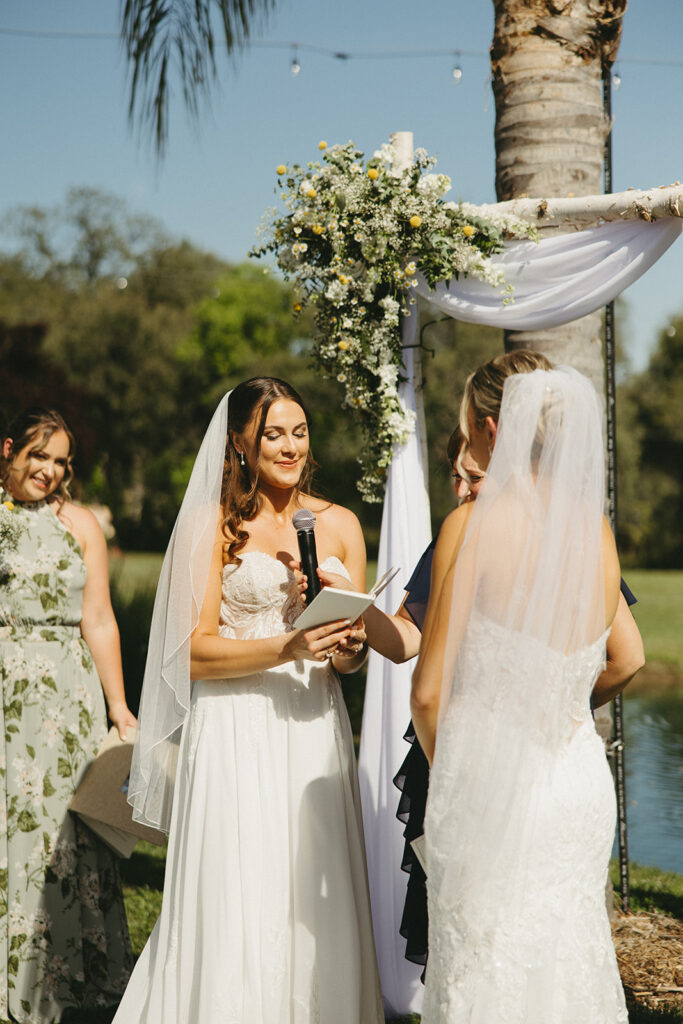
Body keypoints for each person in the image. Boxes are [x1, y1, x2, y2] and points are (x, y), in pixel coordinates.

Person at [113, 377, 384, 1024]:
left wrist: (346, 645)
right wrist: (288, 647)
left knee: (309, 890)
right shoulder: (211, 526)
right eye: (273, 434)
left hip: (313, 727)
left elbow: (351, 655)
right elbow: (194, 655)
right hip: (235, 726)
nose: (289, 447)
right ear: (239, 443)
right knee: (238, 887)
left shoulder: (339, 524)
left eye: (299, 432)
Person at [412, 354, 630, 1022]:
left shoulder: (469, 526)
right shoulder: (593, 535)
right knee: (567, 960)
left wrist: (451, 773)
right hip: (576, 785)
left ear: (487, 429)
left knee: (485, 964)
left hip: (485, 782)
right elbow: (627, 656)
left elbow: (426, 693)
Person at [0, 408, 136, 1023]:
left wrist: (118, 705)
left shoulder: (79, 522)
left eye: (60, 461)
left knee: (65, 831)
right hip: (6, 690)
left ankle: (70, 979)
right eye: (38, 456)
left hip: (67, 699)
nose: (49, 471)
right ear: (9, 450)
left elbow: (100, 618)